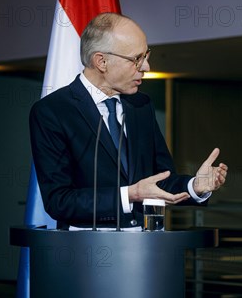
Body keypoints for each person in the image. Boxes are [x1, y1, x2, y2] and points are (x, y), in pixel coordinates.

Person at [30, 12, 228, 229]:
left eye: (146, 55)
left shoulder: (141, 106)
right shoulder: (53, 111)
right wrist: (130, 195)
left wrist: (194, 186)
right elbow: (59, 200)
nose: (146, 67)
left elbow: (159, 180)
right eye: (137, 59)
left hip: (146, 247)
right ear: (101, 61)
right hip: (87, 252)